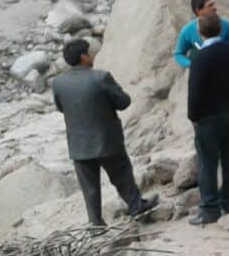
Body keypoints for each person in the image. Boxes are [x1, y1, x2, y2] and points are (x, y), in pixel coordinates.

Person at [51, 39, 158, 227]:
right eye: (89, 52)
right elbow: (123, 102)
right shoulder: (101, 77)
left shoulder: (58, 82)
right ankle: (136, 207)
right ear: (84, 57)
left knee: (89, 188)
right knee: (122, 175)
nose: (92, 55)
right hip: (107, 140)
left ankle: (96, 223)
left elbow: (61, 107)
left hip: (78, 145)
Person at [186, 13, 229, 225]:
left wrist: (193, 116)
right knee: (228, 154)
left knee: (207, 162)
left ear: (200, 32)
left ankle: (210, 209)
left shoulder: (199, 57)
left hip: (207, 116)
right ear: (220, 29)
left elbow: (195, 92)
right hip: (228, 111)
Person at [174, 0, 229, 69]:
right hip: (200, 73)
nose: (214, 8)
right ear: (198, 10)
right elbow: (179, 54)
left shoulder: (226, 25)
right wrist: (193, 65)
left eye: (213, 4)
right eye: (210, 6)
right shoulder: (188, 30)